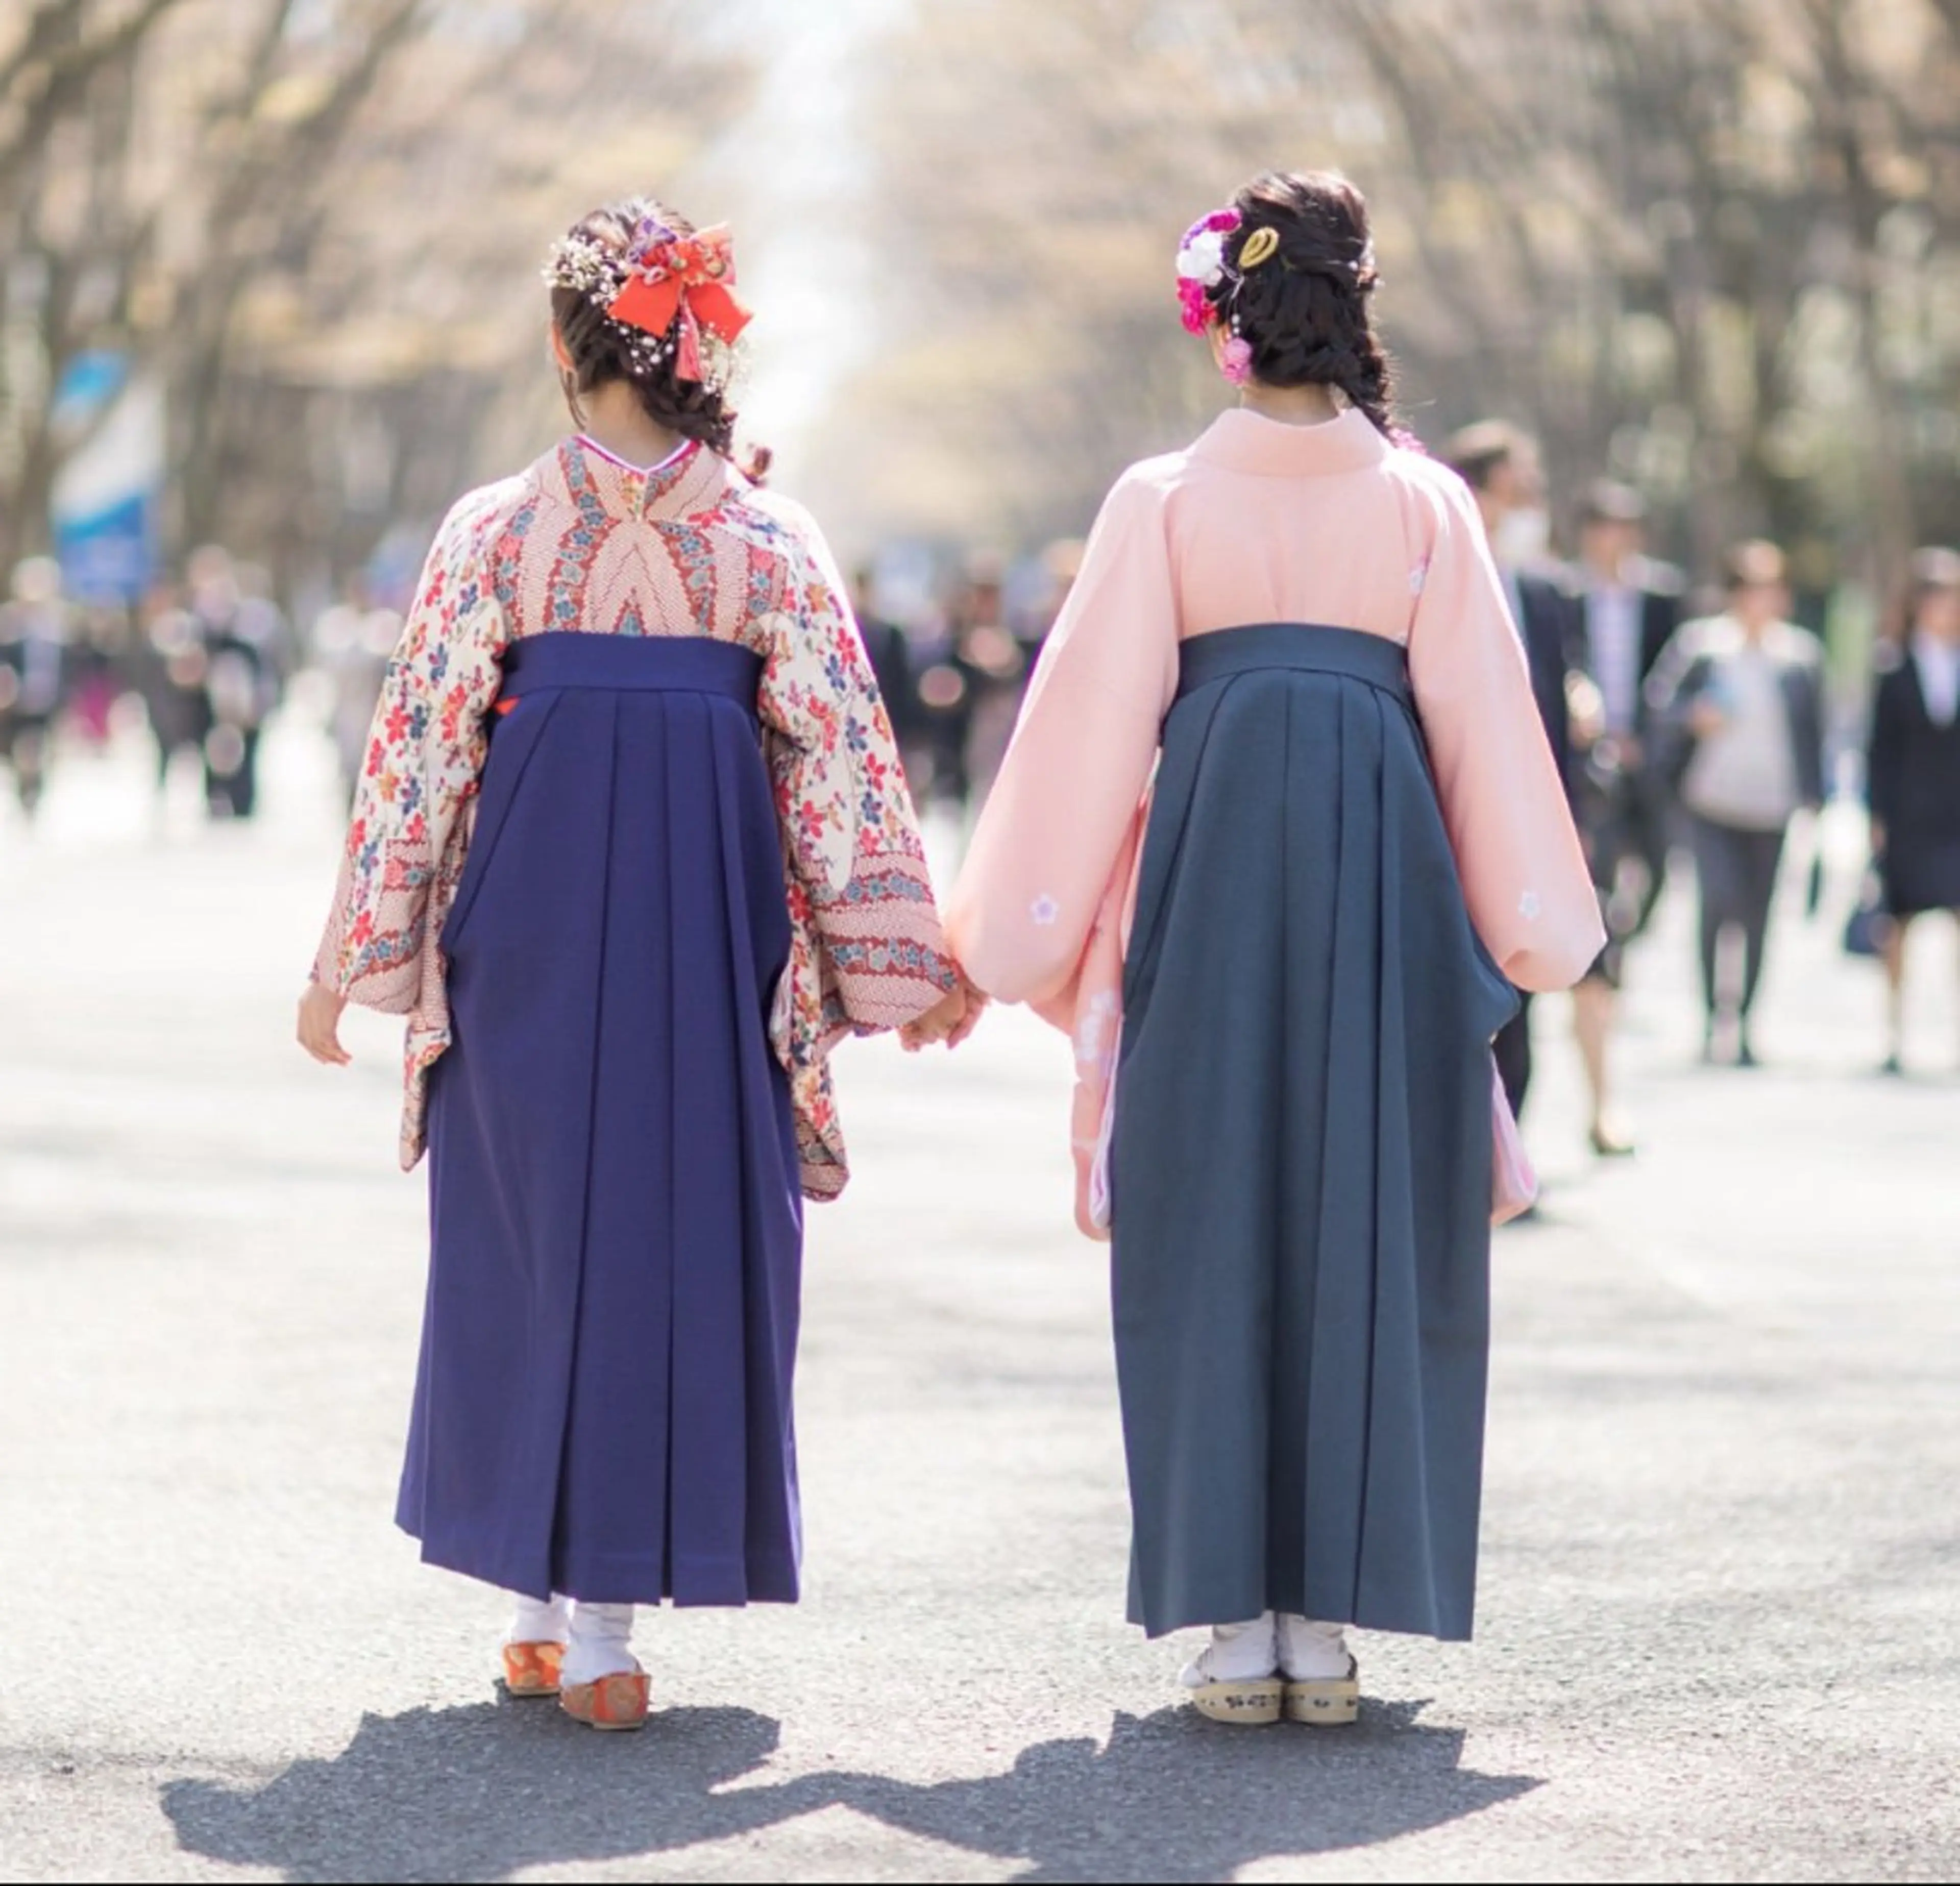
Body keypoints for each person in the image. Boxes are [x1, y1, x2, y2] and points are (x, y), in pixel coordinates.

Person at [296, 197, 971, 1733]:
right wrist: (900, 956)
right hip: (697, 920)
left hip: (528, 920)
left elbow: (414, 757)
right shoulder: (765, 535)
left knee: (535, 1235)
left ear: (559, 348)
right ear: (696, 353)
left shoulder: (495, 531)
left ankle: (570, 1607)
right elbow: (841, 757)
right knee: (657, 1243)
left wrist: (350, 964)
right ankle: (573, 1613)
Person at [945, 172, 1601, 1728]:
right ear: (1354, 310)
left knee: (1208, 1208)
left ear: (1226, 326)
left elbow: (1089, 729)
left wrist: (1004, 928)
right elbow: (1487, 734)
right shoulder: (1423, 503)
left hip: (1215, 863)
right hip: (1381, 872)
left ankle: (1231, 1624)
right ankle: (1322, 1621)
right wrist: (1528, 929)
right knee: (1364, 1218)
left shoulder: (1162, 498)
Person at [1443, 422, 1576, 1128]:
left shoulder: (1543, 590)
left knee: (1525, 990)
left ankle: (1508, 1143)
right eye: (1516, 486)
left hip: (1530, 813)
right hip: (1454, 808)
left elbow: (1556, 710)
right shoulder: (1435, 562)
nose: (1528, 502)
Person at [1650, 540, 1825, 1067]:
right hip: (1711, 801)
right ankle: (1710, 1018)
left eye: (1771, 587)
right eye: (1751, 586)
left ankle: (1746, 1023)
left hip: (1772, 807)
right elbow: (1661, 706)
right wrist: (1692, 718)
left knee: (1758, 916)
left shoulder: (1798, 657)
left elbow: (1812, 734)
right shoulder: (1703, 647)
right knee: (1717, 905)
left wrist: (1815, 801)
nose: (1761, 598)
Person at [1566, 481, 1684, 1153]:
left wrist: (1656, 734)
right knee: (1603, 879)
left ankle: (1621, 950)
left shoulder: (1663, 597)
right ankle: (1606, 959)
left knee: (1661, 867)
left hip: (1650, 760)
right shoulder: (1567, 595)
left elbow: (1675, 671)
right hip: (1590, 769)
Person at [1867, 546, 1960, 1073]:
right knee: (1897, 926)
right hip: (1908, 816)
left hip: (1956, 813)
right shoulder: (1894, 665)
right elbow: (1878, 747)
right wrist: (1876, 816)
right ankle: (1895, 1032)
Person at [0, 556, 71, 820]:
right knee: (23, 752)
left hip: (47, 701)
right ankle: (25, 795)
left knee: (40, 753)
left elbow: (68, 666)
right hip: (17, 702)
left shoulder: (58, 625)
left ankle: (35, 795)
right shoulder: (9, 624)